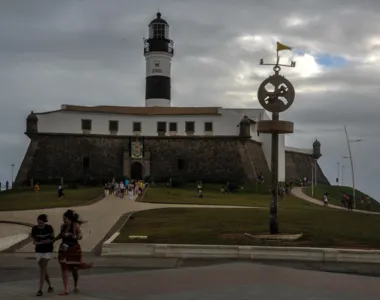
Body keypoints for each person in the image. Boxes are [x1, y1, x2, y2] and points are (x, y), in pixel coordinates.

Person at [53, 209, 92, 295]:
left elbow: (80, 236)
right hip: (63, 249)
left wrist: (75, 236)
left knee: (74, 268)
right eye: (63, 218)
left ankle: (76, 285)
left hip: (74, 249)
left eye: (65, 218)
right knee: (64, 267)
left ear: (70, 219)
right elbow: (61, 234)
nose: (64, 220)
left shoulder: (75, 225)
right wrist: (54, 240)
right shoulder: (62, 226)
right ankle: (66, 289)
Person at [31, 214, 54, 296]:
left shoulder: (49, 228)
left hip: (47, 250)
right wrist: (39, 242)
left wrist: (47, 241)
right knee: (43, 269)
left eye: (41, 223)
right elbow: (34, 241)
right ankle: (50, 286)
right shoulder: (34, 229)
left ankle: (40, 289)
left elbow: (52, 239)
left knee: (43, 267)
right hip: (39, 251)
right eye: (38, 222)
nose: (40, 224)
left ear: (44, 222)